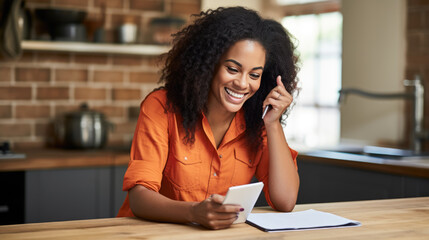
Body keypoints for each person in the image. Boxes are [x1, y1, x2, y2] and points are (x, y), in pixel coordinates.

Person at [117, 6, 300, 230]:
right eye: (233, 69)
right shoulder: (161, 107)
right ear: (209, 63)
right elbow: (139, 198)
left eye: (254, 75)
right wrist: (194, 212)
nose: (243, 84)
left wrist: (273, 123)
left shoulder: (257, 120)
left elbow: (286, 201)